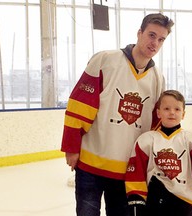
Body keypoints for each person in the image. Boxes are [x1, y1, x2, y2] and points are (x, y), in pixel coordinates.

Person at [61, 13, 174, 216]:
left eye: (161, 39)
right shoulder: (105, 60)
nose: (155, 43)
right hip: (90, 165)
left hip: (126, 171)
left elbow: (156, 127)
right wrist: (71, 147)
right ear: (139, 33)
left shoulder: (158, 78)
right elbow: (79, 105)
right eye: (151, 35)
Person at [125, 90, 192, 216]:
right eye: (166, 108)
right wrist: (136, 201)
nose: (172, 112)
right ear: (158, 113)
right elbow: (136, 173)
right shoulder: (146, 140)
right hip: (154, 205)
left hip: (185, 205)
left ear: (183, 114)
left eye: (177, 109)